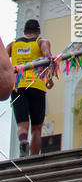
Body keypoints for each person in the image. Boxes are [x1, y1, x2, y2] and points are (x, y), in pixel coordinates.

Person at [7, 19, 53, 156]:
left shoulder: (13, 45)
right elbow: (48, 59)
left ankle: (22, 141)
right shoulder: (41, 42)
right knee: (37, 128)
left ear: (24, 31)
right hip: (36, 86)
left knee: (22, 123)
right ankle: (33, 158)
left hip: (18, 86)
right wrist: (49, 78)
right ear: (38, 31)